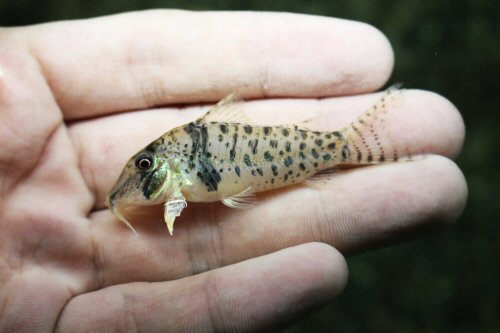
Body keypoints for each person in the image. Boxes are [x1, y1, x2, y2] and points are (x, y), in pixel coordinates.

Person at [0, 10, 467, 332]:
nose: (140, 176)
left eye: (146, 167)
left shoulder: (175, 168)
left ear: (161, 167)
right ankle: (350, 148)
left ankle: (351, 147)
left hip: (277, 160)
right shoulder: (170, 180)